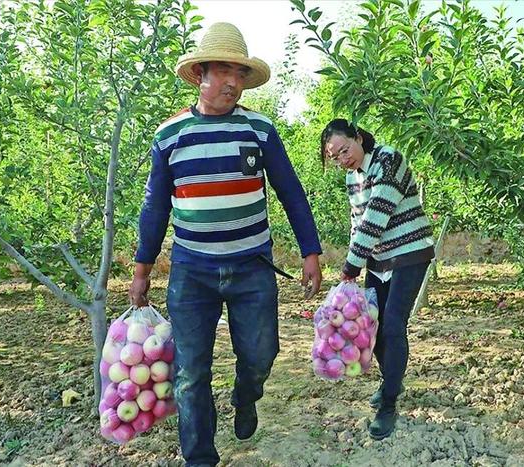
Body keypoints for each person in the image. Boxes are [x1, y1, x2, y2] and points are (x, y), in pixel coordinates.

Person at [129, 22, 322, 467]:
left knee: (261, 353)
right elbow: (154, 209)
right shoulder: (169, 136)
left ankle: (245, 393)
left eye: (240, 73)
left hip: (252, 266)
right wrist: (142, 268)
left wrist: (310, 252)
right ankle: (200, 458)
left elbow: (290, 191)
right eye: (224, 71)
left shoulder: (260, 129)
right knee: (190, 373)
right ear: (201, 74)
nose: (234, 82)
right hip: (191, 272)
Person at [320, 119, 435, 440]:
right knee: (373, 328)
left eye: (345, 149)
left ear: (359, 138)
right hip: (378, 259)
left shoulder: (389, 159)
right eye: (335, 156)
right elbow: (357, 224)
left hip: (410, 253)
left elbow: (375, 218)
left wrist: (350, 266)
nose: (343, 158)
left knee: (393, 324)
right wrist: (355, 267)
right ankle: (390, 383)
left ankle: (388, 403)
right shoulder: (352, 177)